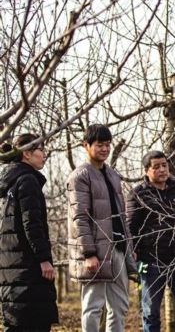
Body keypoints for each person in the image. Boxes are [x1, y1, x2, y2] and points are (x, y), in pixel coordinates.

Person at [66, 124, 136, 332]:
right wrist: (88, 253)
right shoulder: (80, 176)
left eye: (108, 145)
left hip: (117, 248)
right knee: (93, 306)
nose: (105, 149)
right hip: (95, 251)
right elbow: (79, 217)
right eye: (99, 145)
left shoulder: (113, 175)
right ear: (85, 145)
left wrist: (129, 247)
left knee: (120, 305)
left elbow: (121, 216)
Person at [126, 150, 175, 332]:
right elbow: (131, 227)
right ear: (146, 171)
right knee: (151, 313)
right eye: (156, 167)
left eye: (164, 165)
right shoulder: (138, 194)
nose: (162, 170)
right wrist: (133, 251)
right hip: (150, 262)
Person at [0, 133, 59, 332]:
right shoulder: (27, 180)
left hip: (12, 268)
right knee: (34, 323)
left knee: (18, 323)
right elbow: (31, 224)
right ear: (26, 153)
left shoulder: (9, 182)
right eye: (41, 150)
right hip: (29, 268)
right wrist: (44, 259)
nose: (44, 154)